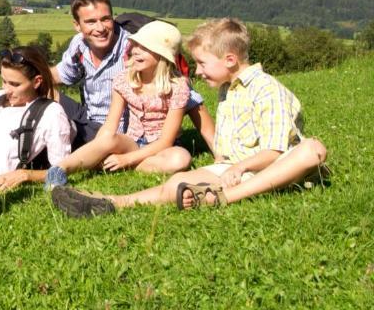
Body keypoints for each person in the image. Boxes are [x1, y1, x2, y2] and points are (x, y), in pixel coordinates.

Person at [50, 18, 329, 218]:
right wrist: (225, 163)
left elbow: (275, 151)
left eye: (203, 64)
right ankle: (113, 202)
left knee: (313, 151)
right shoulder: (227, 90)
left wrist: (238, 169)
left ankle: (222, 198)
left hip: (273, 168)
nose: (197, 71)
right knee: (177, 183)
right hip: (236, 168)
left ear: (230, 60)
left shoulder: (267, 89)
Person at [51, 0, 214, 151]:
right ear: (77, 25)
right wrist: (30, 72)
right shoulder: (79, 44)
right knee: (38, 87)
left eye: (105, 19)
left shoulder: (134, 48)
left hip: (118, 132)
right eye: (91, 22)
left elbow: (187, 95)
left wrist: (219, 151)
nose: (100, 28)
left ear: (113, 18)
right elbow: (61, 74)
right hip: (88, 117)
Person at [43, 21, 194, 188]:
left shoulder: (178, 88)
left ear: (162, 55)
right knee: (109, 138)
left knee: (181, 159)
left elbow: (166, 140)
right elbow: (110, 125)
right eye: (135, 45)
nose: (135, 51)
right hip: (133, 142)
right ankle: (59, 170)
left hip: (162, 148)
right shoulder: (124, 80)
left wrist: (126, 159)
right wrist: (101, 147)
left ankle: (128, 165)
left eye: (144, 48)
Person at [0, 45, 74, 192]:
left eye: (15, 84)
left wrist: (25, 175)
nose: (6, 89)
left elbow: (61, 168)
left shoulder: (51, 113)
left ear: (37, 81)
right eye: (4, 81)